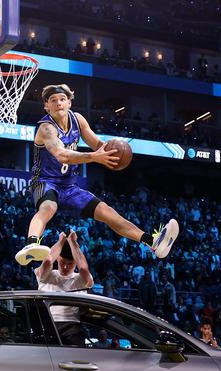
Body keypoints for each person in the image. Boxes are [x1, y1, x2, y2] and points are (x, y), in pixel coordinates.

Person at [15, 84, 179, 265]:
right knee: (48, 208)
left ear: (69, 103)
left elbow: (97, 144)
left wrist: (112, 152)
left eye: (62, 99)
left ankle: (153, 241)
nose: (58, 103)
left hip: (69, 187)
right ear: (46, 106)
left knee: (107, 212)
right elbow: (62, 155)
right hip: (45, 182)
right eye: (53, 101)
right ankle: (31, 245)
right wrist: (95, 157)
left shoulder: (77, 119)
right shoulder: (46, 128)